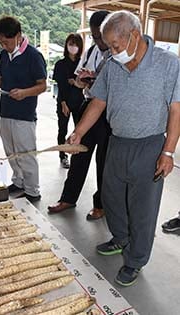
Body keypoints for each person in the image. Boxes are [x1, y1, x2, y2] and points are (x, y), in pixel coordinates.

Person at [69, 10, 180, 286]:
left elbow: (177, 110)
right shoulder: (112, 64)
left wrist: (168, 152)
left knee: (142, 209)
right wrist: (79, 132)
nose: (113, 52)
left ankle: (135, 260)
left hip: (150, 145)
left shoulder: (168, 64)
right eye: (109, 47)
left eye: (116, 46)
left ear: (133, 36)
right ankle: (120, 238)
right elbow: (98, 101)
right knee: (112, 197)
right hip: (118, 141)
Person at [48, 10, 111, 220]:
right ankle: (68, 197)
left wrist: (94, 81)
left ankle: (100, 204)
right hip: (89, 106)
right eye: (94, 36)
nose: (99, 41)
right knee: (79, 154)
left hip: (109, 114)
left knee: (104, 161)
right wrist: (83, 81)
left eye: (102, 36)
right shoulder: (93, 51)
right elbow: (79, 79)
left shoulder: (118, 53)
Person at [0, 16, 47, 202]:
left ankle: (32, 190)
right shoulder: (4, 55)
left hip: (24, 114)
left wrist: (25, 93)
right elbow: (0, 79)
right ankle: (18, 182)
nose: (4, 46)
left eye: (7, 41)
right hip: (6, 111)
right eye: (1, 43)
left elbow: (43, 86)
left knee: (26, 153)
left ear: (18, 35)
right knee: (11, 151)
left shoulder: (33, 56)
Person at [53, 33, 84, 169]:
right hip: (64, 102)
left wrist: (77, 83)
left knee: (79, 130)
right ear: (66, 45)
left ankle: (77, 155)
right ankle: (62, 156)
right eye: (71, 44)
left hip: (79, 102)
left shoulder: (82, 63)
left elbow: (85, 83)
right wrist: (63, 103)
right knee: (62, 130)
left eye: (76, 44)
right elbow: (61, 85)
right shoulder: (60, 64)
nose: (73, 47)